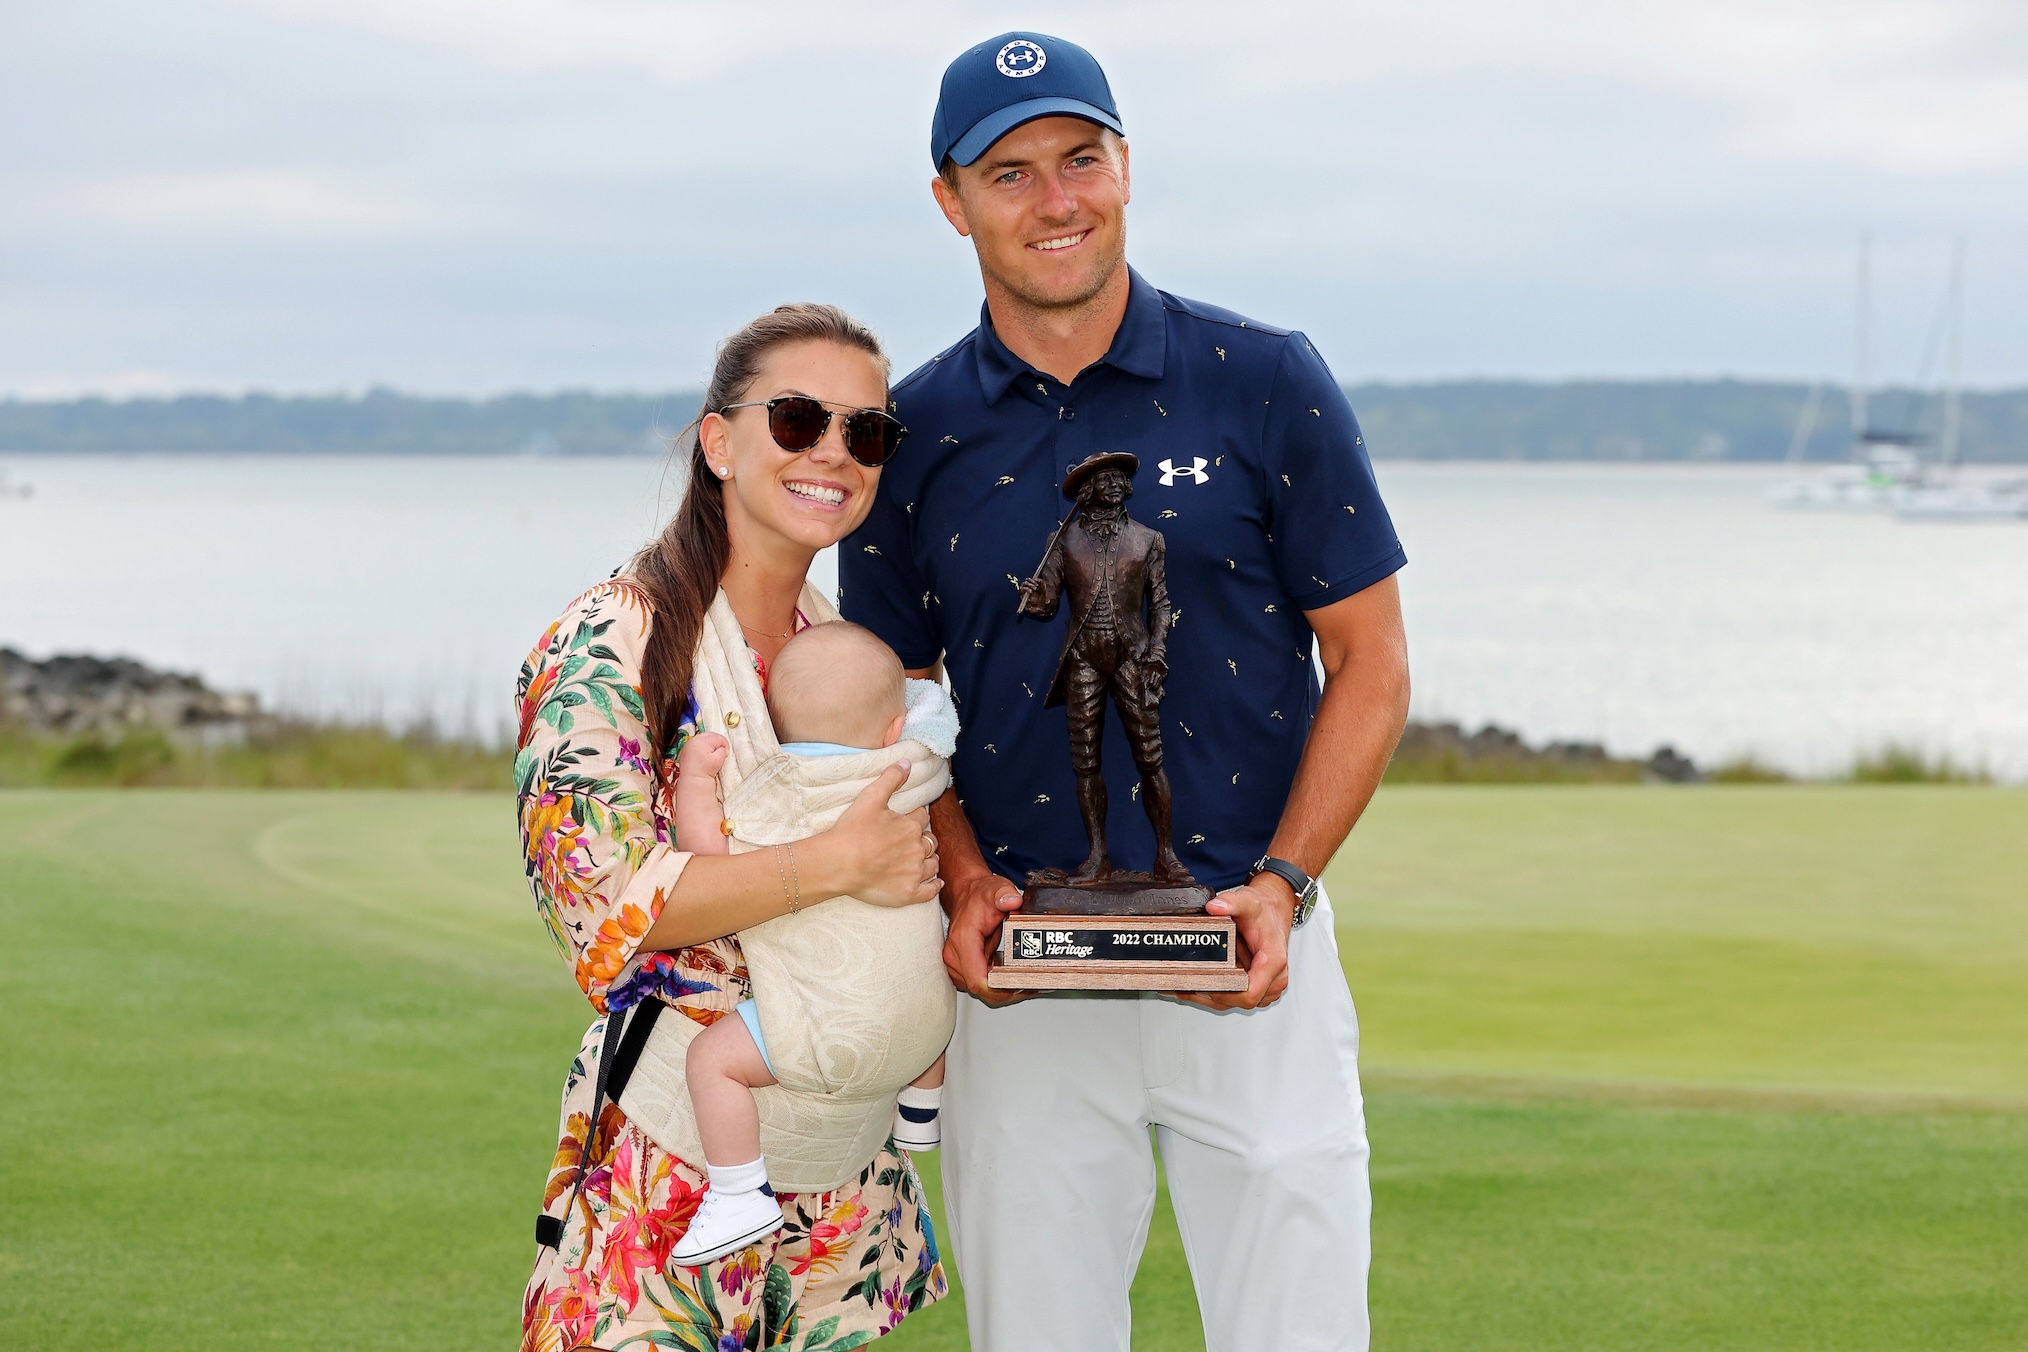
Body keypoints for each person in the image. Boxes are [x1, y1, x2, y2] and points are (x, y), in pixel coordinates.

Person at [841, 31, 1411, 1352]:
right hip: (1025, 986)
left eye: (1080, 160)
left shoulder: (1263, 378)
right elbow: (894, 702)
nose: (1056, 200)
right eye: (1011, 173)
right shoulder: (910, 433)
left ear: (1126, 167)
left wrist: (1284, 884)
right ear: (951, 201)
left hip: (1252, 954)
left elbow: (1372, 665)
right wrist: (966, 877)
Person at [517, 304, 950, 1351]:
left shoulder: (843, 651)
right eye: (799, 419)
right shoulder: (610, 640)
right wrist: (836, 860)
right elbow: (605, 902)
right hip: (669, 1172)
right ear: (719, 442)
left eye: (868, 432)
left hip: (837, 1191)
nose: (835, 454)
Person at [668, 621, 953, 1265]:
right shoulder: (913, 771)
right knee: (915, 951)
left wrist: (693, 783)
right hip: (929, 1031)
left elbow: (707, 860)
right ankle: (921, 1115)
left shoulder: (780, 796)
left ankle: (739, 1193)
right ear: (892, 730)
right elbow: (934, 719)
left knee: (711, 1062)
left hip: (836, 1037)